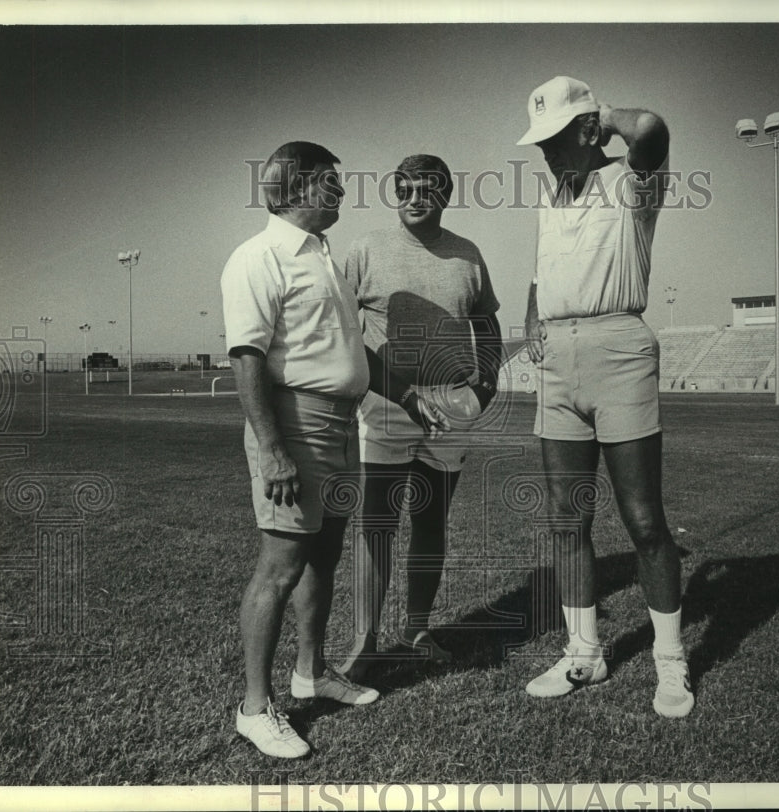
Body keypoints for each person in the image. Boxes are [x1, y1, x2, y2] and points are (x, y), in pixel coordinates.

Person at [221, 141, 446, 758]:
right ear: (296, 185)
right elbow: (247, 358)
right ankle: (255, 707)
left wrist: (404, 395)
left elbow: (353, 354)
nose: (343, 193)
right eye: (331, 182)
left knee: (323, 556)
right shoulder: (258, 256)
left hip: (343, 425)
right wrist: (273, 449)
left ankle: (312, 673)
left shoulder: (321, 256)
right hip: (294, 425)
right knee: (281, 565)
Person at [516, 76, 694, 717]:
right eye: (538, 143)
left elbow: (651, 129)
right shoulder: (548, 198)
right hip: (557, 361)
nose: (545, 153)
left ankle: (669, 662)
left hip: (619, 348)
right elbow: (540, 274)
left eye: (556, 138)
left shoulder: (631, 182)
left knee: (644, 520)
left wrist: (601, 116)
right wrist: (533, 317)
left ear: (589, 130)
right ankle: (584, 653)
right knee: (569, 520)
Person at [339, 154, 503, 681]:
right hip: (387, 407)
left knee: (431, 523)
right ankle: (364, 643)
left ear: (445, 195)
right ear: (395, 194)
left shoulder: (467, 254)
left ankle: (416, 630)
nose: (415, 197)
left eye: (427, 189)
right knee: (377, 525)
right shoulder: (366, 250)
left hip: (451, 407)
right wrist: (396, 392)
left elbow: (487, 320)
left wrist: (488, 379)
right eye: (405, 188)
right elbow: (343, 331)